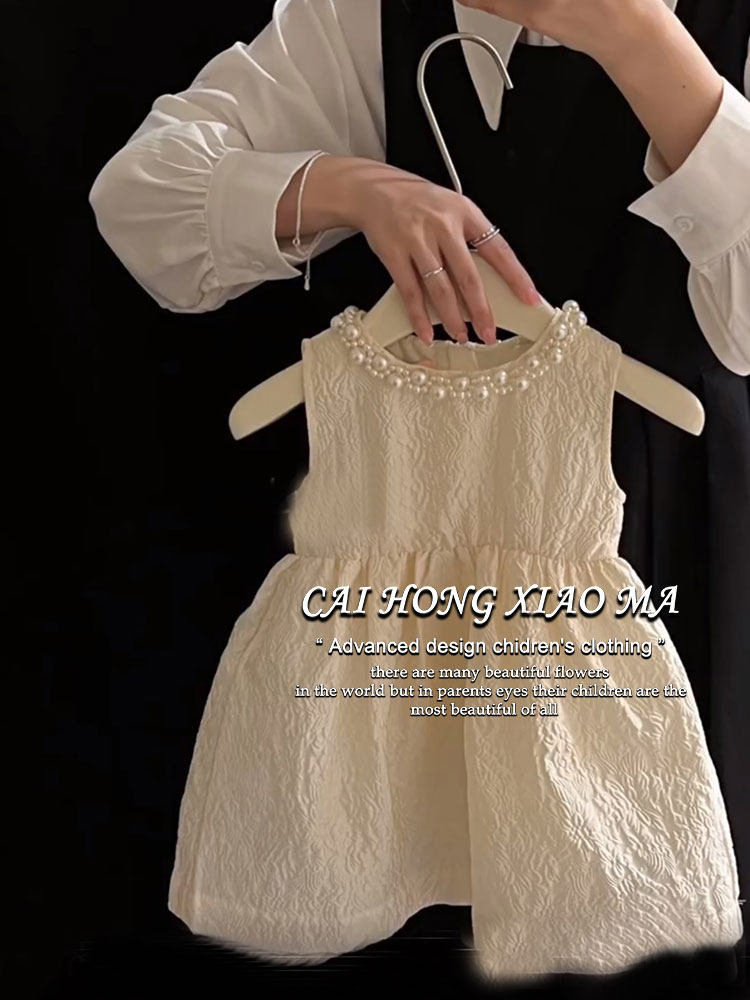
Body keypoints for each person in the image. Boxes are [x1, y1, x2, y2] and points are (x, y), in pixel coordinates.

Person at [89, 0, 750, 939]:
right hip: (406, 621)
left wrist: (633, 35)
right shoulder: (369, 16)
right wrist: (350, 186)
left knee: (650, 907)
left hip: (686, 552)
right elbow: (141, 197)